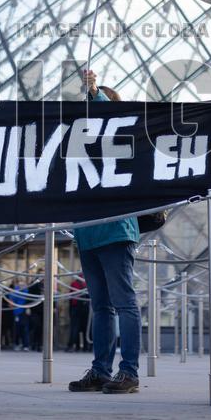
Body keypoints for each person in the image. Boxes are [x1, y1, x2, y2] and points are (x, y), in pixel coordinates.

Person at [67, 70, 141, 395]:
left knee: (123, 303)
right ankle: (100, 370)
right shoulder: (82, 143)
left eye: (94, 106)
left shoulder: (121, 137)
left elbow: (107, 123)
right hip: (88, 232)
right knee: (101, 306)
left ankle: (129, 372)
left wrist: (94, 92)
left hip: (114, 229)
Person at [67, 273, 89, 352]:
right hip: (80, 308)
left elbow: (70, 299)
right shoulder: (84, 283)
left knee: (77, 328)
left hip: (77, 308)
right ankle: (84, 347)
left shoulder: (76, 283)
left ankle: (75, 346)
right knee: (82, 328)